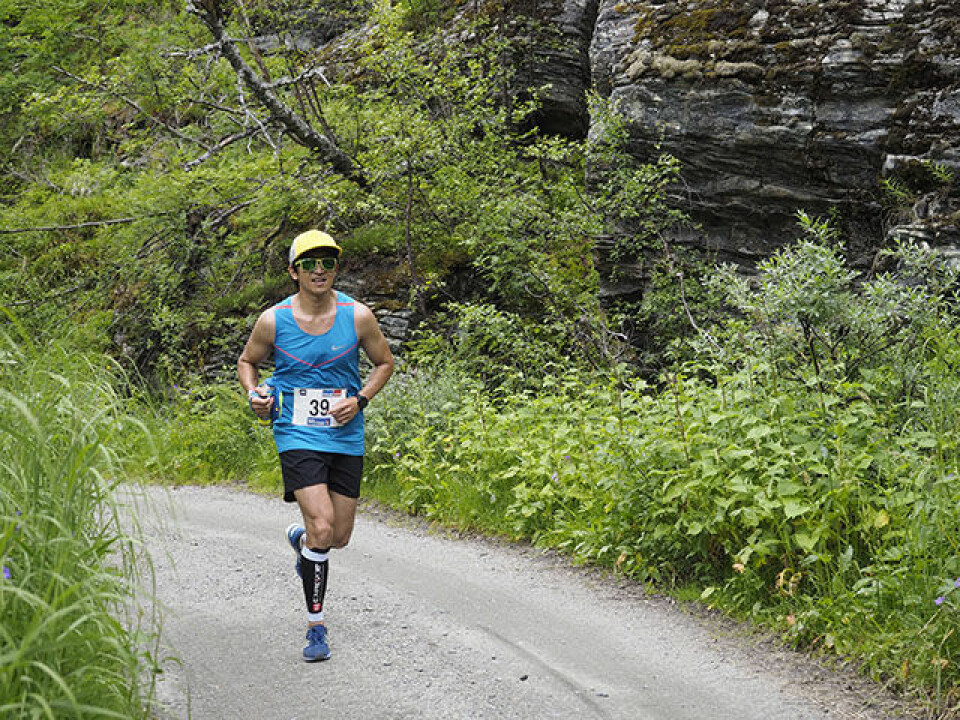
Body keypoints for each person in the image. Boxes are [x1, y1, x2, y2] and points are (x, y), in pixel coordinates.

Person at [237, 229, 395, 662]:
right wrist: (255, 395)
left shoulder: (358, 316)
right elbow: (248, 362)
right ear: (293, 271)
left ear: (336, 268)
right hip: (295, 430)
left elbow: (385, 363)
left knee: (337, 537)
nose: (319, 269)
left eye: (327, 261)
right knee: (323, 527)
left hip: (345, 432)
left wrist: (360, 399)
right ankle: (316, 628)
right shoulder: (273, 320)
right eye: (309, 263)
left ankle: (302, 542)